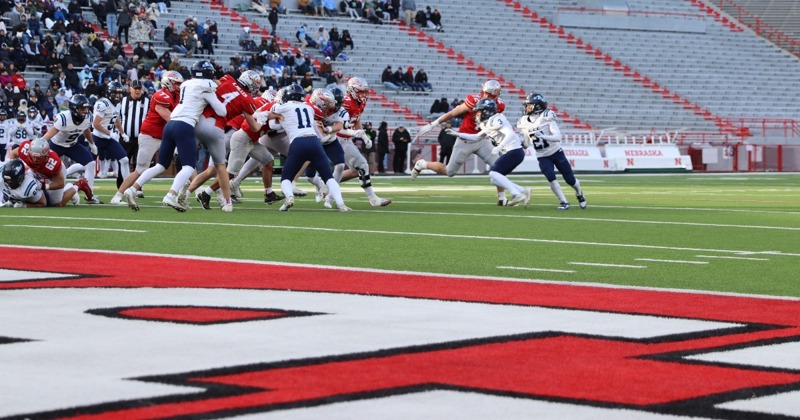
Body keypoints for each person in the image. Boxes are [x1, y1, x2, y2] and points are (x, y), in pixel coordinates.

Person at [123, 60, 226, 212]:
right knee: (189, 166)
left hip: (170, 125)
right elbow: (222, 111)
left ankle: (132, 189)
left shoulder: (186, 85)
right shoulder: (206, 87)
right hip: (184, 125)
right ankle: (171, 195)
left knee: (160, 165)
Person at [412, 80, 510, 205]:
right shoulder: (473, 100)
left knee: (498, 166)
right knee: (449, 171)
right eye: (485, 93)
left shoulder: (500, 106)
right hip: (465, 139)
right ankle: (422, 164)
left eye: (490, 95)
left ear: (496, 95)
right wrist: (433, 124)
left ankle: (502, 198)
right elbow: (453, 113)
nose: (486, 96)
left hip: (481, 140)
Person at [188, 70, 262, 212]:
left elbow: (210, 84)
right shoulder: (248, 100)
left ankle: (186, 192)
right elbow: (253, 126)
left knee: (210, 169)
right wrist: (265, 122)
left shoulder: (228, 79)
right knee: (226, 169)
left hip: (202, 121)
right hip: (221, 130)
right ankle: (222, 199)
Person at [269, 84, 350, 212]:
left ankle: (289, 197)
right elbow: (319, 134)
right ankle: (341, 204)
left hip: (298, 143)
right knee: (328, 177)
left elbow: (272, 125)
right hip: (314, 142)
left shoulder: (283, 107)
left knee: (286, 177)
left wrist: (281, 121)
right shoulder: (309, 109)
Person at [112, 70, 183, 204]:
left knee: (184, 160)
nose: (179, 86)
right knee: (140, 169)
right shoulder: (161, 96)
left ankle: (187, 192)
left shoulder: (176, 94)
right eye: (177, 83)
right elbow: (171, 119)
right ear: (168, 83)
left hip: (165, 136)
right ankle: (118, 195)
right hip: (150, 136)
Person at [449, 99, 531, 207]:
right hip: (512, 152)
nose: (477, 115)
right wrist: (457, 134)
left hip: (514, 150)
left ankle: (516, 193)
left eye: (479, 112)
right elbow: (476, 137)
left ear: (486, 111)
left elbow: (510, 134)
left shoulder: (496, 119)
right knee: (495, 180)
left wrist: (499, 147)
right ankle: (523, 190)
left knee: (493, 172)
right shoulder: (487, 123)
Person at [517, 92, 586, 210]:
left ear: (537, 106)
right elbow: (527, 144)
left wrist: (544, 136)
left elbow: (558, 137)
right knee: (550, 177)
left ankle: (579, 193)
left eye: (529, 105)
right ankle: (564, 202)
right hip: (542, 155)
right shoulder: (523, 121)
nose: (527, 107)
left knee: (570, 180)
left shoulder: (546, 115)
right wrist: (521, 142)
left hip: (556, 152)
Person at [331, 77, 391, 207]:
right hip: (338, 138)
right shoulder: (345, 102)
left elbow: (357, 120)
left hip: (345, 138)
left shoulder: (359, 103)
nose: (363, 95)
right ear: (352, 90)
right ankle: (372, 198)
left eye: (365, 92)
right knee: (362, 165)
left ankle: (327, 183)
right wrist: (353, 134)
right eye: (360, 92)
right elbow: (338, 125)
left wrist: (364, 136)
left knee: (355, 170)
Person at [41, 94, 101, 203]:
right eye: (81, 108)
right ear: (73, 108)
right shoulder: (64, 118)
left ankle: (89, 195)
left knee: (90, 163)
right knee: (44, 168)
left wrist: (92, 143)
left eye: (86, 108)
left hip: (72, 145)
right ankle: (40, 190)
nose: (84, 111)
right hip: (56, 145)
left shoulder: (88, 117)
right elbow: (52, 132)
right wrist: (42, 142)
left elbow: (86, 129)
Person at [7, 138, 84, 206]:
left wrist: (43, 186)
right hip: (34, 171)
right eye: (33, 157)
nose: (35, 160)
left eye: (39, 158)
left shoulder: (53, 163)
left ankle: (77, 186)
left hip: (53, 175)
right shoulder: (24, 149)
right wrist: (13, 168)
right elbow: (13, 153)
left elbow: (60, 183)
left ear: (46, 156)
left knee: (56, 203)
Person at [91, 81, 130, 199]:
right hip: (97, 138)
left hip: (108, 139)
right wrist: (110, 133)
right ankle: (67, 174)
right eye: (115, 93)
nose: (118, 96)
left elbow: (116, 120)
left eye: (119, 93)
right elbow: (95, 124)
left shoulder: (117, 105)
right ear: (109, 93)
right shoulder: (102, 104)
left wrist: (123, 133)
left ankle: (126, 190)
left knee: (124, 160)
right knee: (87, 165)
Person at [117, 79, 149, 179]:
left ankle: (137, 188)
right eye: (135, 88)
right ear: (130, 89)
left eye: (139, 88)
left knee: (139, 164)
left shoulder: (147, 101)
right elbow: (116, 117)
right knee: (122, 162)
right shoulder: (123, 101)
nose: (137, 91)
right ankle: (121, 186)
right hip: (125, 137)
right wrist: (119, 133)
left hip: (140, 138)